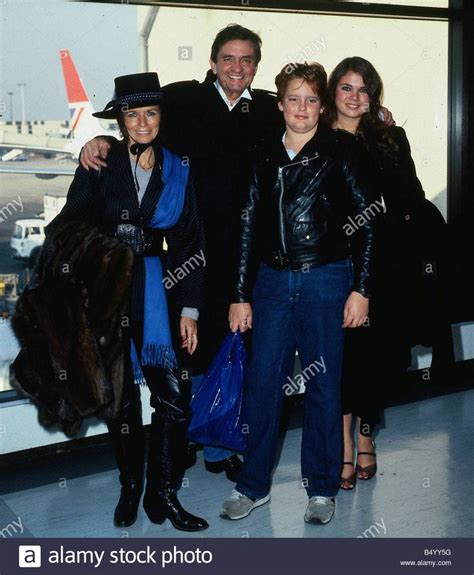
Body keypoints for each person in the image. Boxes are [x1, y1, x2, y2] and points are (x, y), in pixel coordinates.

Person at [79, 24, 284, 481]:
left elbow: (313, 117)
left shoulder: (269, 109)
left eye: (246, 60)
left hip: (247, 253)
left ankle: (219, 439)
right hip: (186, 254)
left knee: (236, 347)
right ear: (212, 62)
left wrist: (375, 114)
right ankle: (186, 438)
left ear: (256, 66)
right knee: (188, 346)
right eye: (228, 58)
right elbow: (137, 122)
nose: (237, 68)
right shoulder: (182, 100)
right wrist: (102, 144)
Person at [46, 73, 209, 531]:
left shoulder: (179, 168)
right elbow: (66, 227)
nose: (142, 122)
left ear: (161, 117)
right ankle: (130, 489)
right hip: (108, 293)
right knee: (121, 402)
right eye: (132, 113)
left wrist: (191, 310)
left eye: (150, 112)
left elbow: (191, 242)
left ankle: (164, 496)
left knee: (174, 398)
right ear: (120, 119)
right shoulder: (101, 163)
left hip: (162, 292)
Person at [220, 62, 377, 525]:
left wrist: (361, 290)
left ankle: (322, 488)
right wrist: (238, 294)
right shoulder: (262, 152)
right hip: (270, 283)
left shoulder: (342, 150)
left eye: (311, 100)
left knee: (324, 386)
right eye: (293, 98)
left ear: (321, 106)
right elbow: (247, 224)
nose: (302, 108)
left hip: (326, 279)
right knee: (263, 384)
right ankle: (252, 486)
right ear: (281, 103)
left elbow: (367, 222)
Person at [325, 56, 451, 490]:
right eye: (346, 87)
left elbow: (411, 197)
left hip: (385, 266)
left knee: (375, 359)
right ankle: (341, 443)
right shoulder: (317, 138)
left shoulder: (390, 138)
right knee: (342, 358)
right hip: (334, 264)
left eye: (364, 89)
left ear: (373, 95)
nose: (355, 97)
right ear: (332, 92)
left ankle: (365, 437)